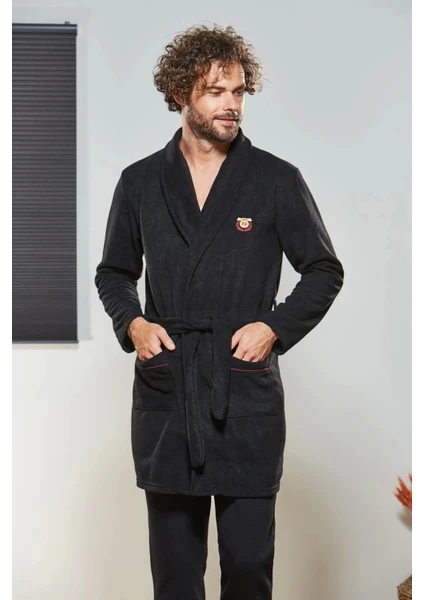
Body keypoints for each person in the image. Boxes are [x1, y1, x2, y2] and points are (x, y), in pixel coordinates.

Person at [95, 23, 344, 600]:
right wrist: (134, 324)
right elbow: (114, 273)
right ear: (180, 93)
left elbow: (324, 269)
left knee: (249, 565)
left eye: (238, 91)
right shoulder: (139, 182)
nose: (231, 104)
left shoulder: (275, 179)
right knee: (176, 576)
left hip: (243, 391)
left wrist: (274, 327)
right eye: (215, 91)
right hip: (170, 392)